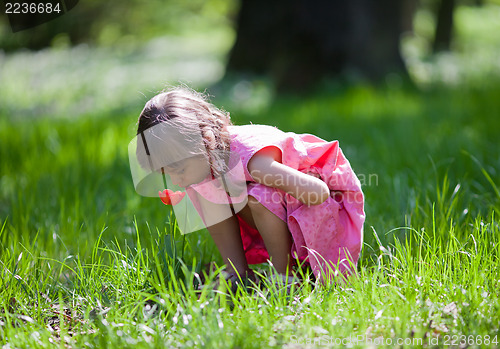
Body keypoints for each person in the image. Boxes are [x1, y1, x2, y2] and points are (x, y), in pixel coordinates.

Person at [130, 86, 365, 286]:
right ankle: (240, 274)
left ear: (205, 141)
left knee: (259, 195)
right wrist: (236, 273)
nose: (177, 181)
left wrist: (263, 182)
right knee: (209, 189)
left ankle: (285, 278)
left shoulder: (255, 162)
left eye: (179, 170)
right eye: (168, 174)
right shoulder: (206, 161)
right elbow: (217, 213)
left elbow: (319, 193)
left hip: (326, 214)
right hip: (290, 216)